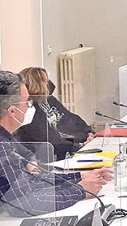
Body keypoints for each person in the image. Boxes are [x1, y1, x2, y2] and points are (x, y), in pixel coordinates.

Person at [0, 71, 112, 217]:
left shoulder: (6, 138)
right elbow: (26, 204)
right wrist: (80, 190)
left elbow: (29, 182)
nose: (30, 107)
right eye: (27, 102)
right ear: (12, 111)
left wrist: (79, 177)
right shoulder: (2, 146)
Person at [16, 67, 94, 159]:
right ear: (37, 84)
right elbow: (49, 139)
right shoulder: (30, 109)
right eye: (45, 81)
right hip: (51, 156)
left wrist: (88, 132)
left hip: (72, 146)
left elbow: (70, 118)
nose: (48, 84)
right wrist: (79, 146)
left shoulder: (50, 100)